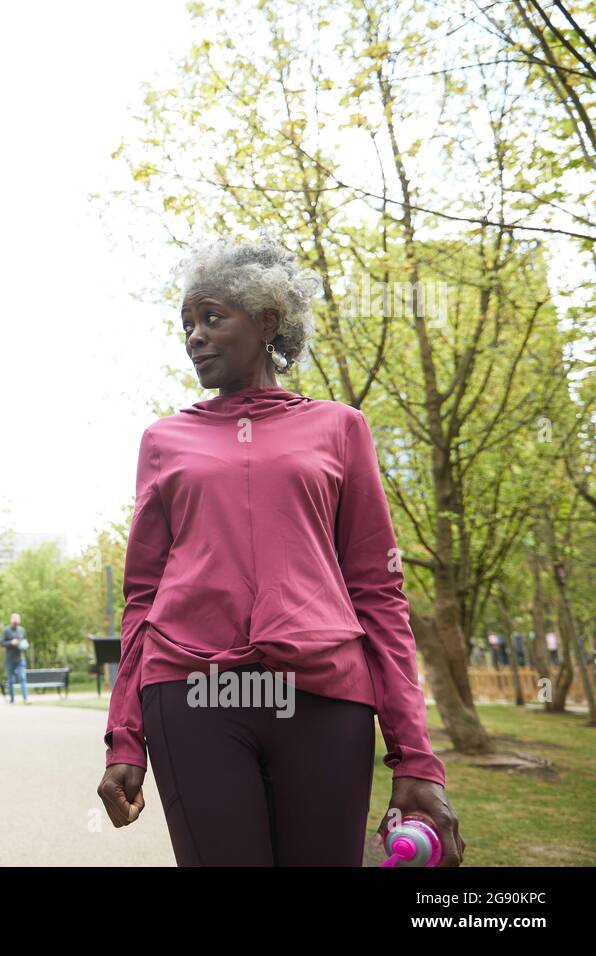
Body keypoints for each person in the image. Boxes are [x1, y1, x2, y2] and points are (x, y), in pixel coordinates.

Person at [96, 234, 464, 867]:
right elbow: (142, 598)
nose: (195, 336)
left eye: (212, 317)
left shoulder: (340, 427)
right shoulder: (164, 440)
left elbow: (378, 591)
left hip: (324, 694)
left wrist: (416, 756)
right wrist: (124, 740)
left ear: (267, 321)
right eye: (186, 323)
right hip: (192, 690)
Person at [0, 613, 30, 704]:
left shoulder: (22, 630)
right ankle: (12, 700)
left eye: (17, 618)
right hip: (10, 659)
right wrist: (11, 643)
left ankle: (26, 699)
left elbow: (24, 640)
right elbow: (1, 642)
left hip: (20, 659)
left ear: (19, 620)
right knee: (11, 680)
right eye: (14, 618)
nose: (16, 620)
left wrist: (25, 645)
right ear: (11, 619)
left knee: (22, 678)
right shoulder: (6, 630)